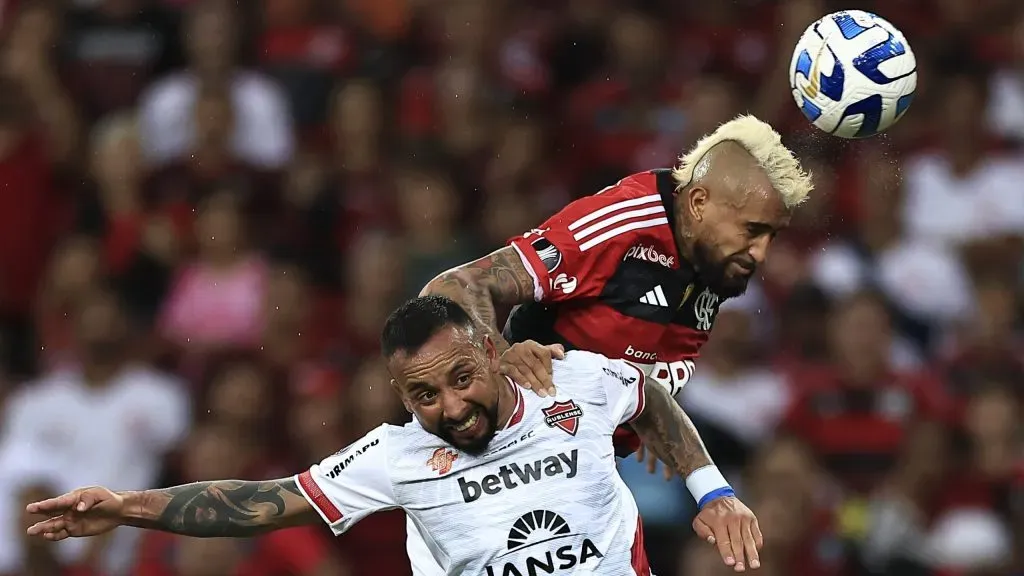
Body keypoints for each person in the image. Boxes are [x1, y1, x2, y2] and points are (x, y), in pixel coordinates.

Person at [25, 296, 762, 574]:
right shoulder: (396, 454)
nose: (450, 407)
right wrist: (129, 506)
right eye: (422, 396)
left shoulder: (568, 382)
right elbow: (265, 501)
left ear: (487, 349)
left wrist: (715, 492)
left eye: (460, 379)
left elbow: (651, 403)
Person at [421, 114, 809, 531]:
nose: (761, 253)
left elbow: (648, 388)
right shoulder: (622, 226)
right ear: (698, 203)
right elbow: (454, 285)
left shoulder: (715, 261)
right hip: (499, 467)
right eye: (753, 231)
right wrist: (499, 355)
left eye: (773, 236)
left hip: (583, 474)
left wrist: (707, 486)